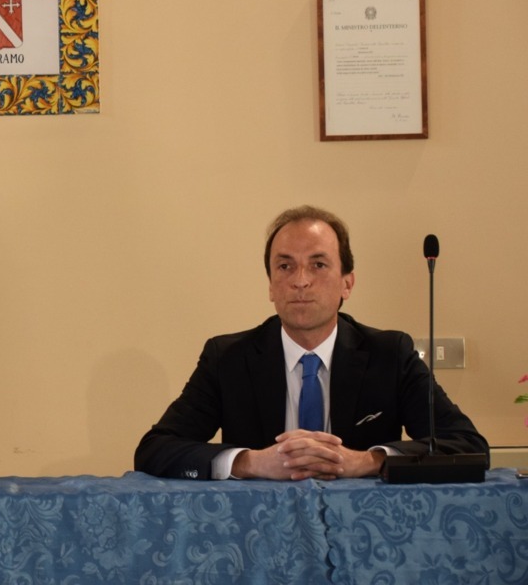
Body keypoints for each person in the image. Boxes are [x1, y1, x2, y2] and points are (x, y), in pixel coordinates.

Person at [134, 205, 488, 481]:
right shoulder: (228, 358)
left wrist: (368, 460)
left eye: (318, 264)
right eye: (285, 267)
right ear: (271, 286)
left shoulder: (390, 354)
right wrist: (250, 462)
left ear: (347, 283)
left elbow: (467, 445)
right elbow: (155, 449)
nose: (300, 281)